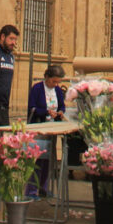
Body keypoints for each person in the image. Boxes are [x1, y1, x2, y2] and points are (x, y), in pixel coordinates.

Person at [26, 65, 66, 198]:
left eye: (57, 82)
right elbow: (32, 107)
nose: (55, 84)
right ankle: (31, 190)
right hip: (38, 127)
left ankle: (43, 187)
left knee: (48, 159)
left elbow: (62, 106)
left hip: (51, 128)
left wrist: (60, 112)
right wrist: (46, 112)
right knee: (36, 159)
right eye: (53, 81)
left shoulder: (58, 91)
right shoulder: (37, 89)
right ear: (47, 77)